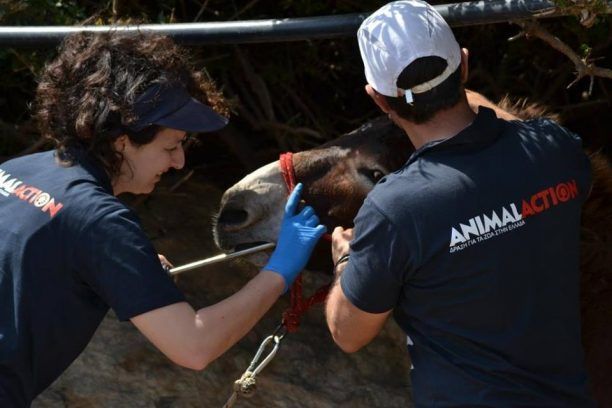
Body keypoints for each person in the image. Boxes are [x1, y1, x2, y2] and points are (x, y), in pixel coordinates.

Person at [0, 32, 326, 407]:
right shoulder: (101, 222)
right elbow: (194, 346)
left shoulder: (16, 170)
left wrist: (116, 269)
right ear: (121, 141)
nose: (179, 162)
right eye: (170, 147)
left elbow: (30, 254)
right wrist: (280, 271)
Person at [325, 1, 595, 406]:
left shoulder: (396, 209)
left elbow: (347, 333)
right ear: (465, 65)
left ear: (378, 100)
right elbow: (521, 138)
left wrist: (346, 262)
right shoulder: (554, 151)